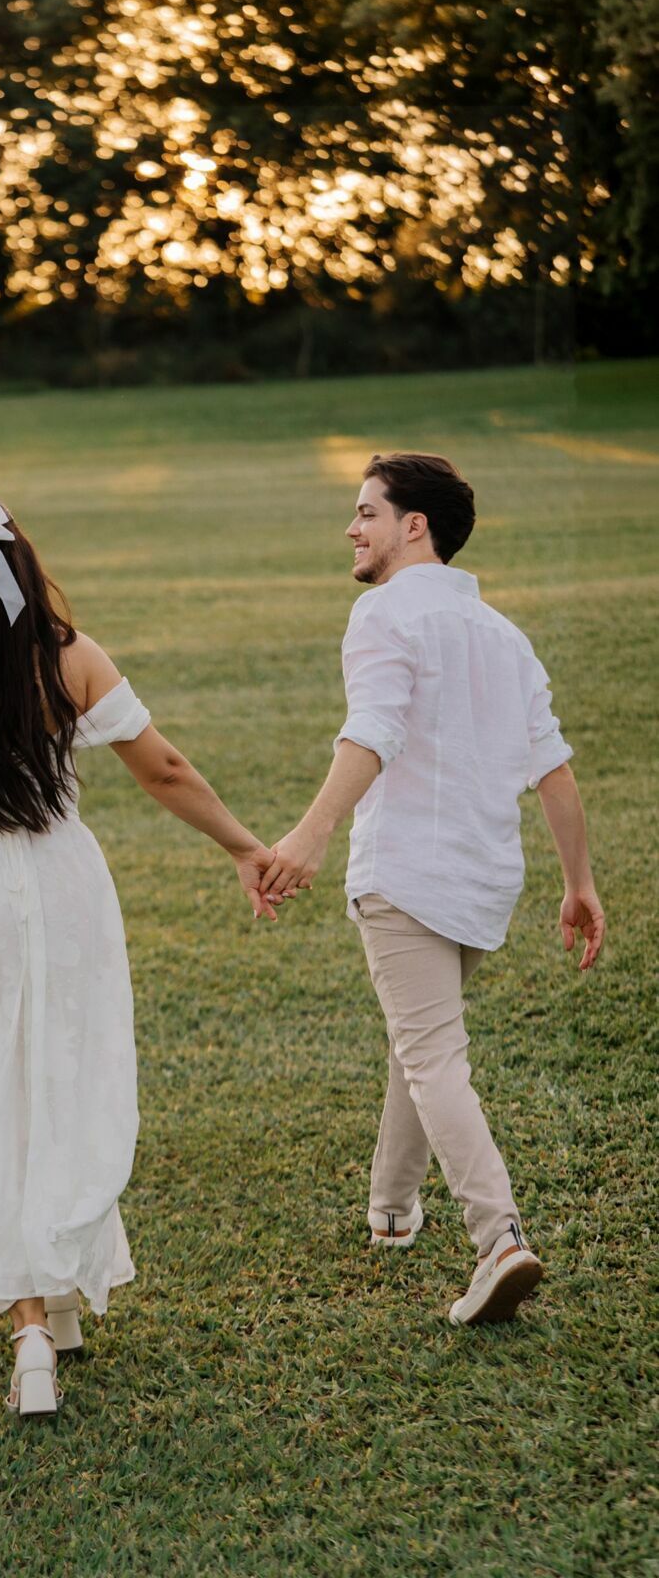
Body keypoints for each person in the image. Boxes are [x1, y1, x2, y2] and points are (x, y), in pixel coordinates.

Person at [0, 488, 275, 1417]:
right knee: (60, 1079)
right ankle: (49, 1305)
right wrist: (242, 845)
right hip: (64, 895)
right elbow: (165, 769)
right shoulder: (68, 660)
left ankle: (35, 1322)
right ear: (19, 561)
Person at [261, 452, 605, 1325]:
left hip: (406, 875)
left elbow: (370, 730)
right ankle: (391, 1210)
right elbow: (554, 770)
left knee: (430, 1057)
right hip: (485, 888)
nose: (352, 528)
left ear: (414, 525)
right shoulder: (504, 635)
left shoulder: (380, 614)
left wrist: (310, 832)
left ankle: (499, 1241)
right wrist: (578, 885)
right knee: (417, 1043)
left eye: (365, 512)